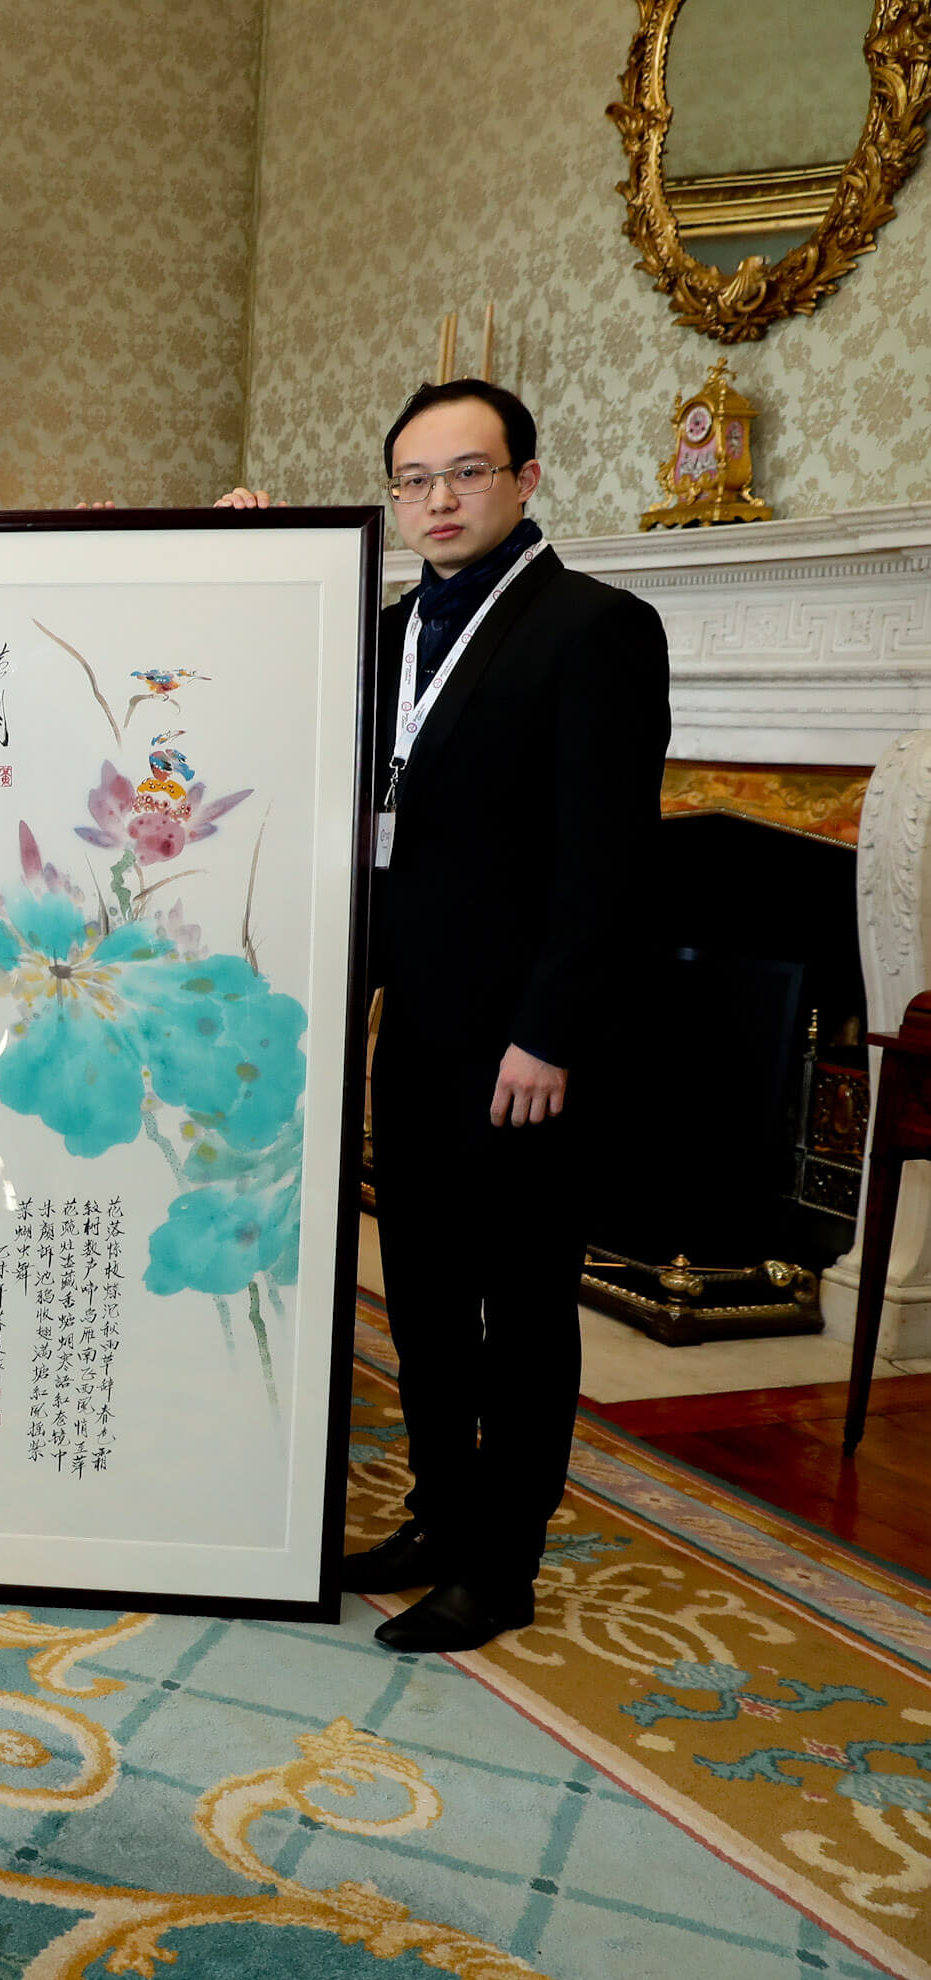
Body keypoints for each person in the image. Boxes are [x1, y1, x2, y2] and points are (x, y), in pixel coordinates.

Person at [225, 378, 669, 1652]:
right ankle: (436, 1513)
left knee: (519, 1306)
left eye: (466, 472)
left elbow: (609, 859)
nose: (437, 500)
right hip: (407, 1026)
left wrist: (553, 1030)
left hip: (524, 1047)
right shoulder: (380, 629)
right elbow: (264, 714)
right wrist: (251, 561)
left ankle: (503, 1560)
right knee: (418, 1290)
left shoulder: (596, 628)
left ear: (525, 479)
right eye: (413, 480)